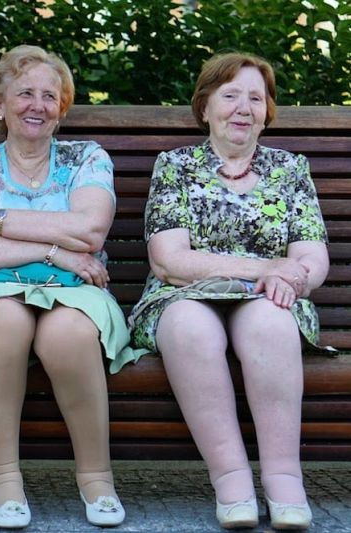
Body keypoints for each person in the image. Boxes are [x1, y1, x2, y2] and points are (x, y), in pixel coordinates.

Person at [0, 45, 142, 529]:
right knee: (4, 319)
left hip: (78, 293)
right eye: (25, 93)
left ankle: (97, 479)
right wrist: (53, 251)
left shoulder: (86, 158)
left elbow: (89, 232)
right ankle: (4, 481)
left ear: (61, 109)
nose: (38, 105)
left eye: (50, 96)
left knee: (69, 332)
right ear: (0, 104)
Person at [128, 52, 330, 531]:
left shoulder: (289, 168)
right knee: (189, 327)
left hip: (270, 297)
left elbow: (311, 255)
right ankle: (232, 481)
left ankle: (284, 480)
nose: (243, 108)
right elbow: (169, 260)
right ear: (205, 107)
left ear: (267, 112)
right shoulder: (175, 166)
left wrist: (294, 277)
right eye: (230, 95)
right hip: (183, 295)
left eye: (255, 98)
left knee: (270, 323)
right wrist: (267, 267)